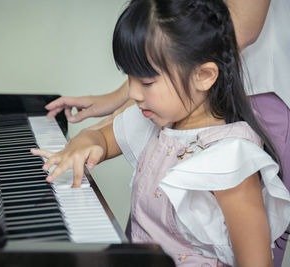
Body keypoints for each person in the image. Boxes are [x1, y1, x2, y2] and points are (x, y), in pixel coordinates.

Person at [33, 0, 290, 266]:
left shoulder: (231, 161)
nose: (132, 94)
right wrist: (86, 142)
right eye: (128, 77)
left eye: (146, 82)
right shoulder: (157, 121)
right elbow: (102, 138)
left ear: (204, 75)